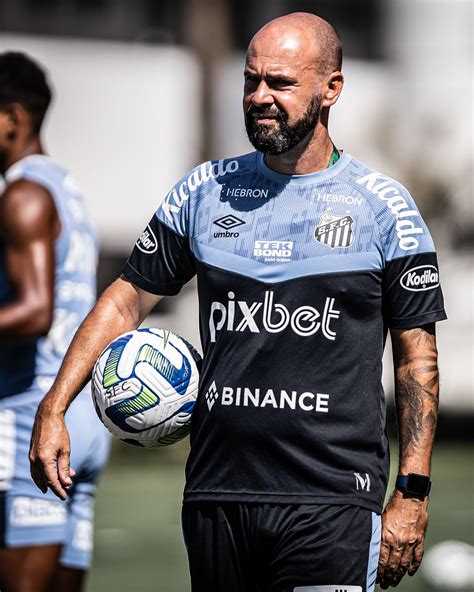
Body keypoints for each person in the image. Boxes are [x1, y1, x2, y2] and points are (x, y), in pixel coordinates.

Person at [29, 12, 446, 592]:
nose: (259, 97)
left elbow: (415, 358)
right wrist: (55, 406)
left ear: (332, 89)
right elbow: (125, 300)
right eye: (251, 81)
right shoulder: (204, 192)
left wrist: (413, 490)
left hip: (332, 501)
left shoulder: (384, 209)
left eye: (280, 83)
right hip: (217, 495)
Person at [0, 52, 110, 592]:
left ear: (12, 118)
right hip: (81, 416)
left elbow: (34, 309)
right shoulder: (66, 186)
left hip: (32, 418)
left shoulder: (21, 193)